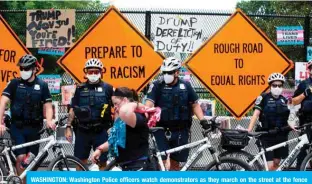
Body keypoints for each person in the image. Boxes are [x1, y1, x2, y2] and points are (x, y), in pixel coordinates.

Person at [145, 57, 209, 170]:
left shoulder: (186, 85)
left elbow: (194, 104)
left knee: (175, 164)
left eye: (169, 72)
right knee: (163, 162)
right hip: (161, 129)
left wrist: (202, 120)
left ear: (177, 72)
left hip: (181, 130)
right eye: (164, 72)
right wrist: (144, 116)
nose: (166, 75)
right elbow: (149, 103)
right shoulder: (156, 85)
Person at [0, 54, 55, 177]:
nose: (23, 71)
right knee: (21, 157)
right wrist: (0, 122)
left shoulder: (42, 85)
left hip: (35, 129)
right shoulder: (14, 83)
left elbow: (48, 105)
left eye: (26, 68)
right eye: (21, 69)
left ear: (35, 69)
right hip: (17, 127)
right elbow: (3, 101)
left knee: (31, 162)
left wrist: (50, 120)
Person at [65, 58, 113, 170]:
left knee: (102, 162)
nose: (93, 74)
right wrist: (68, 127)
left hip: (101, 130)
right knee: (80, 162)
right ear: (86, 73)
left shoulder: (108, 88)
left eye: (96, 72)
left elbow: (116, 108)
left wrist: (115, 126)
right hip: (82, 131)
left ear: (101, 72)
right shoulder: (80, 88)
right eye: (90, 72)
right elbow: (73, 108)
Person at [91, 87, 152, 171]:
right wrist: (100, 149)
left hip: (138, 165)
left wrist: (135, 104)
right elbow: (115, 139)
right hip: (127, 165)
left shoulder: (137, 115)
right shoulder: (122, 119)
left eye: (116, 103)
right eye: (113, 104)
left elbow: (124, 111)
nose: (115, 107)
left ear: (125, 100)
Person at [247, 73, 290, 170]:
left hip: (281, 136)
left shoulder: (284, 100)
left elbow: (288, 118)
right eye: (274, 85)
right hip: (266, 136)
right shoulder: (263, 97)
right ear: (270, 86)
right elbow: (255, 114)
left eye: (279, 85)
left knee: (276, 165)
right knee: (269, 166)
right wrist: (249, 130)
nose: (277, 87)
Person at [292, 60, 312, 170]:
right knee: (303, 150)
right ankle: (299, 176)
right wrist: (304, 94)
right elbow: (293, 101)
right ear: (309, 70)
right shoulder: (304, 84)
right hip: (307, 123)